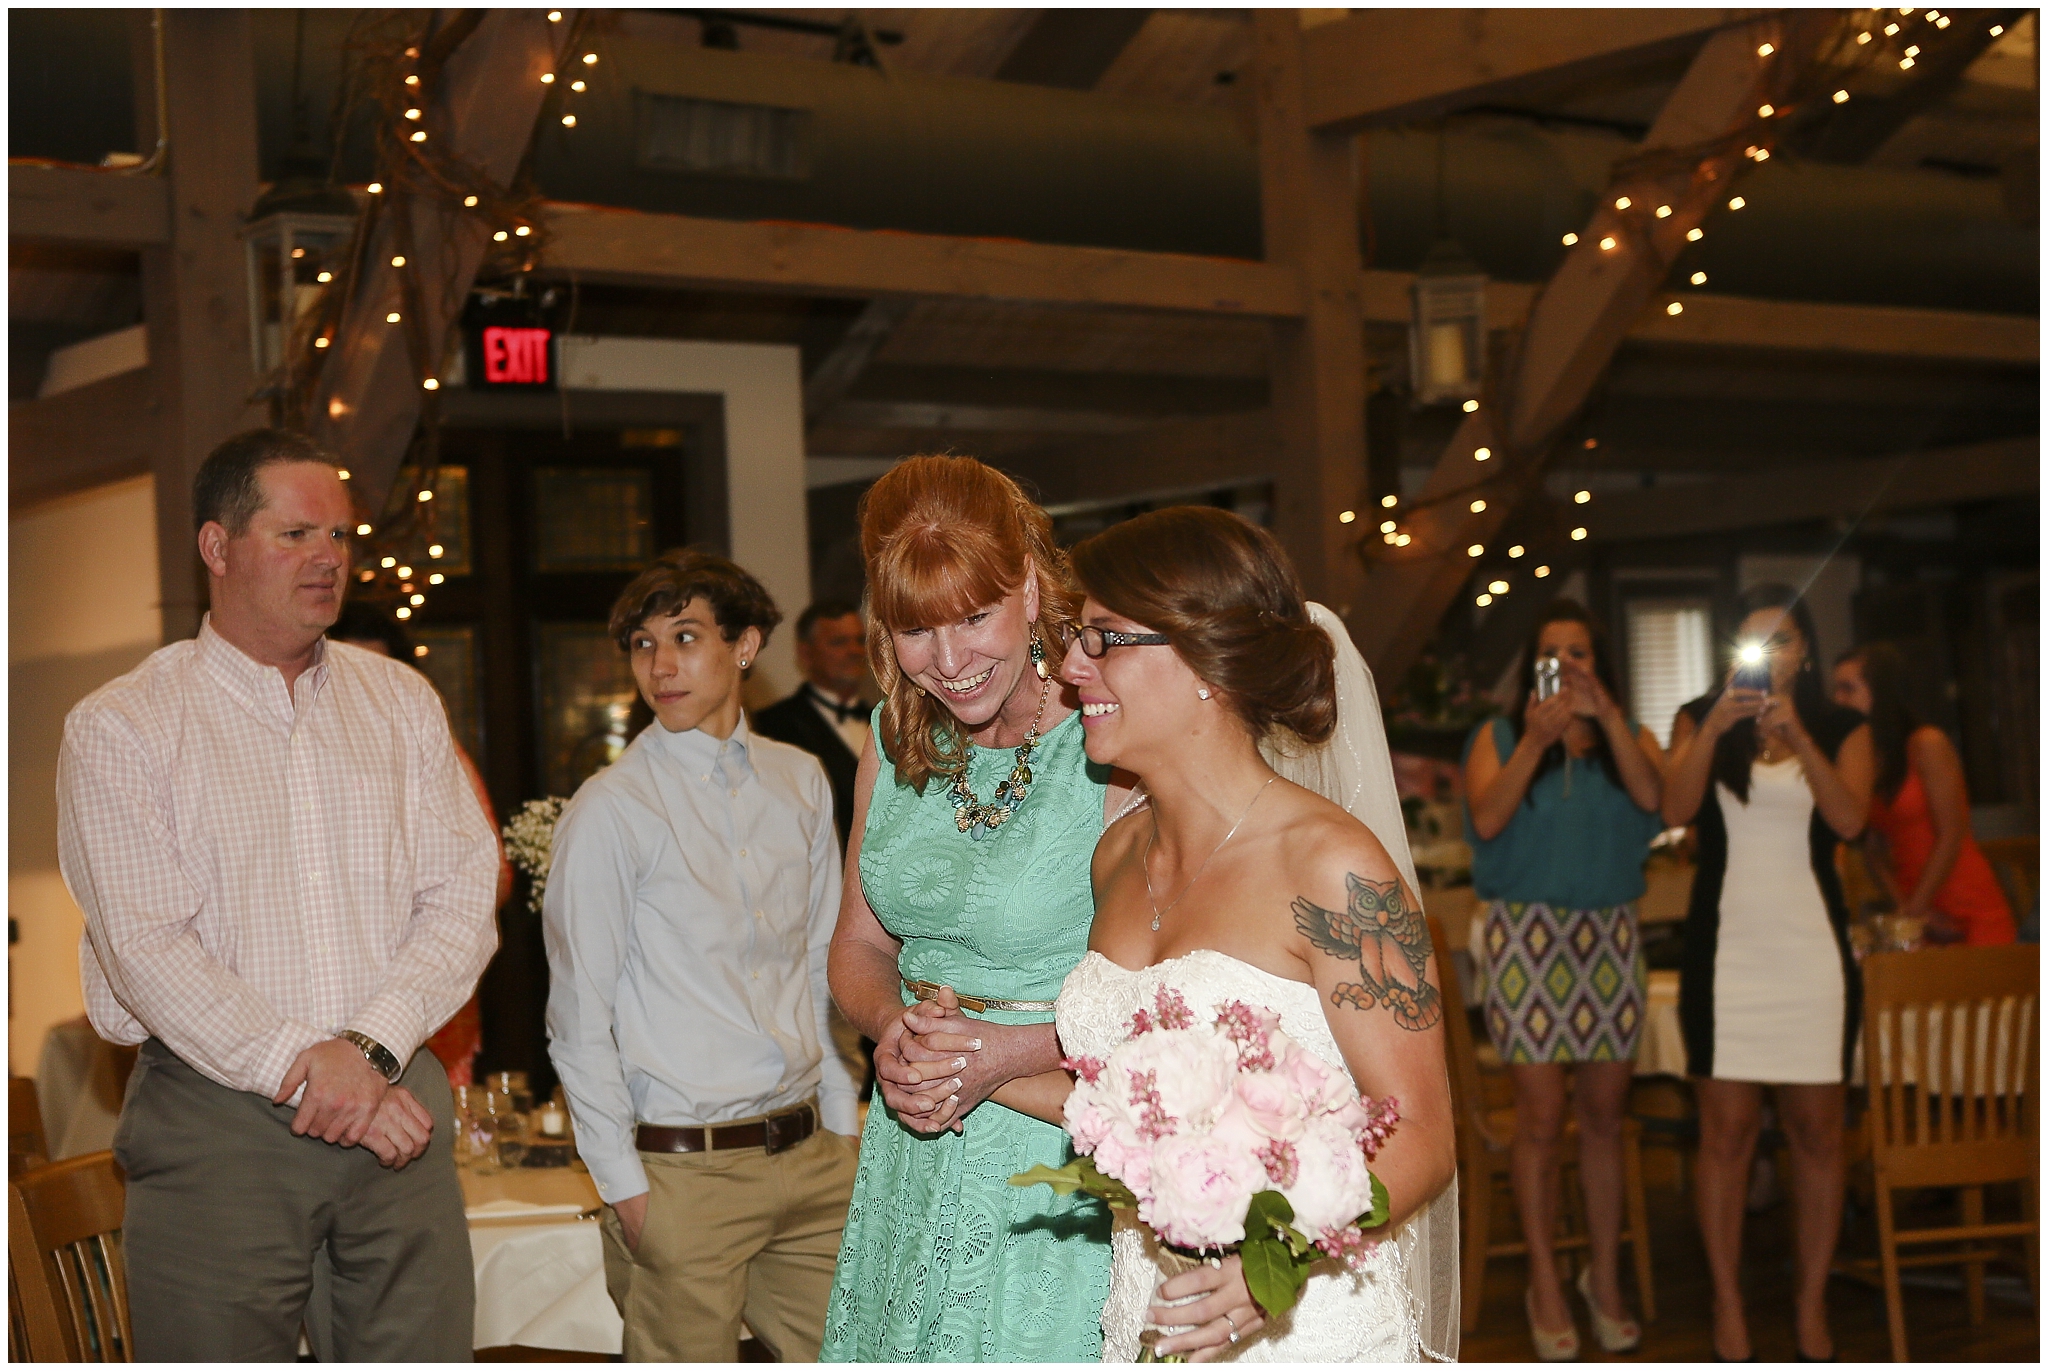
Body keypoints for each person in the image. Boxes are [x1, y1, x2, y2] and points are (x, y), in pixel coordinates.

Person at [55, 428, 499, 1360]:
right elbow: (148, 947)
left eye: (340, 535)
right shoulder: (124, 724)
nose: (328, 557)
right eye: (296, 534)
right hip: (219, 1115)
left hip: (399, 1098)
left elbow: (462, 896)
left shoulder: (401, 700)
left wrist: (368, 1051)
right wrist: (314, 1066)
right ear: (217, 546)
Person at [979, 506, 1460, 1361]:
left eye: (1103, 639)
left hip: (1302, 1318)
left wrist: (1280, 1258)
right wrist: (972, 1067)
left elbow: (1421, 1129)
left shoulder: (1333, 868)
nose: (1070, 667)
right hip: (1148, 1312)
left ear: (1205, 658)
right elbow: (1120, 1105)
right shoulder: (1118, 855)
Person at [822, 455, 1130, 1360]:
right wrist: (894, 1028)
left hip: (1056, 1150)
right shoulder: (889, 738)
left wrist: (1005, 1053)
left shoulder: (1111, 735)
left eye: (973, 617)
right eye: (915, 629)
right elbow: (857, 944)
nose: (949, 663)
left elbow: (1167, 987)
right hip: (912, 1143)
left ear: (1028, 587)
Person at [544, 548, 859, 1362]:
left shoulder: (800, 780)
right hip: (684, 1171)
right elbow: (578, 1017)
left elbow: (820, 965)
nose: (661, 665)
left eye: (685, 637)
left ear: (745, 645)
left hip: (813, 1157)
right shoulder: (611, 809)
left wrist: (840, 1122)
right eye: (643, 644)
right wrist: (624, 1186)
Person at [1664, 584, 1873, 1363]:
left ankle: (1811, 1304)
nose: (1770, 654)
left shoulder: (1842, 726)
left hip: (1813, 954)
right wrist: (1718, 723)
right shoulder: (1700, 717)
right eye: (1755, 641)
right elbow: (1674, 809)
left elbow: (1850, 819)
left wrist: (1800, 738)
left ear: (1806, 651)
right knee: (1726, 1135)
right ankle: (1728, 1304)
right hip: (1726, 955)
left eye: (1782, 639)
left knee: (1818, 1134)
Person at [1461, 599, 1665, 1358]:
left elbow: (1656, 801)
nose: (1569, 665)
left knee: (1605, 1116)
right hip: (1526, 935)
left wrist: (1607, 718)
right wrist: (1536, 741)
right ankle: (1544, 1278)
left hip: (1610, 935)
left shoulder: (1631, 736)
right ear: (1534, 666)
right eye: (1554, 653)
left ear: (1600, 662)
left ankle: (1603, 1277)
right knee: (1542, 1116)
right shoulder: (1499, 735)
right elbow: (1486, 819)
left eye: (1581, 651)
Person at [330, 600, 515, 1085]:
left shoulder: (437, 753)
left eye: (380, 670)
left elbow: (494, 878)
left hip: (425, 999)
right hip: (323, 1006)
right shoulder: (295, 758)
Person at [1832, 643, 2016, 946]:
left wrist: (1914, 909)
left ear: (1881, 692)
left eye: (1847, 689)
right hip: (1914, 904)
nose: (1838, 700)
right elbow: (1871, 848)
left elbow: (1952, 834)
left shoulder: (1926, 742)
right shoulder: (1867, 758)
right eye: (1836, 690)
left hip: (1963, 899)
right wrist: (1908, 908)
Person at [755, 598, 871, 848]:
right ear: (805, 654)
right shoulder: (771, 726)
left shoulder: (890, 723)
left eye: (860, 640)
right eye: (839, 642)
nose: (854, 651)